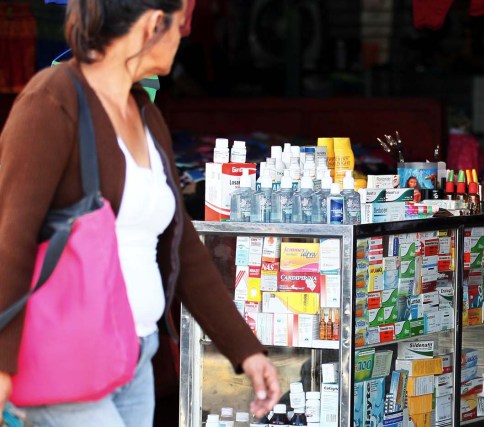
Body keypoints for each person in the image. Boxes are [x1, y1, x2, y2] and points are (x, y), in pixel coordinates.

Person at [0, 0, 280, 426]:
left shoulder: (144, 112)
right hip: (68, 357)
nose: (182, 36)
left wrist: (245, 348)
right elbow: (10, 240)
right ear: (152, 24)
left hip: (136, 355)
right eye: (178, 24)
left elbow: (181, 245)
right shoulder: (51, 99)